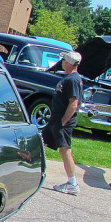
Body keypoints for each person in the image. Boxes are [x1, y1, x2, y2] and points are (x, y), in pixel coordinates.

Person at [42, 50, 85, 196]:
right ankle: (35, 172)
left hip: (62, 122)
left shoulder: (73, 80)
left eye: (64, 60)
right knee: (42, 142)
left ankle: (72, 183)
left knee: (64, 150)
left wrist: (63, 122)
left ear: (70, 63)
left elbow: (74, 103)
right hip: (55, 120)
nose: (62, 62)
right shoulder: (69, 78)